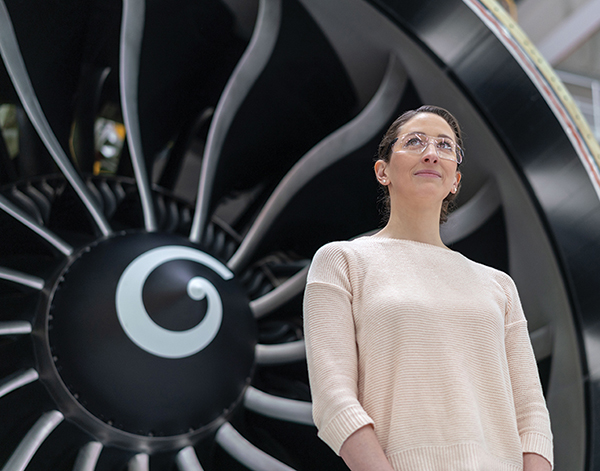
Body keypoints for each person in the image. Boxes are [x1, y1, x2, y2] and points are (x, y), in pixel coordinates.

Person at [303, 105, 553, 471]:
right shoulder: (341, 261)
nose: (431, 153)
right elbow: (334, 399)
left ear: (455, 180)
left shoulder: (499, 285)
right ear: (382, 171)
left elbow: (531, 413)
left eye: (445, 145)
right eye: (415, 141)